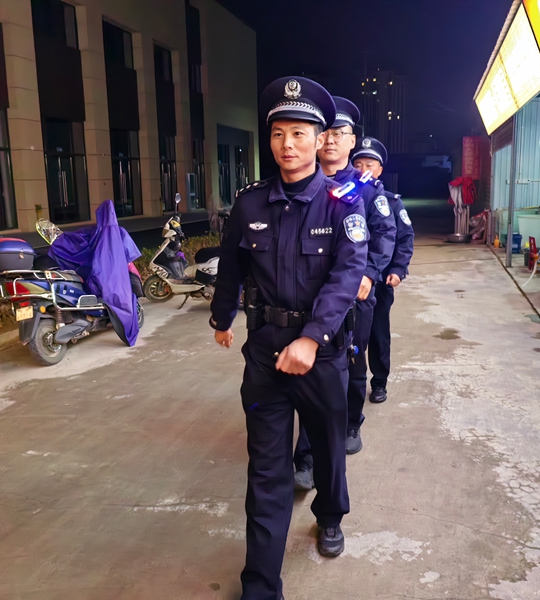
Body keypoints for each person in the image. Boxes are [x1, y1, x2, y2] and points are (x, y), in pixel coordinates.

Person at [210, 77, 368, 600]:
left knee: (327, 449)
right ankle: (260, 586)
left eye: (299, 133)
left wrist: (313, 338)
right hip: (264, 353)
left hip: (322, 354)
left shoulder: (343, 204)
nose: (288, 144)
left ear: (320, 139)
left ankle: (330, 515)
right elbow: (231, 267)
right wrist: (222, 317)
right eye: (279, 133)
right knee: (266, 471)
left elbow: (347, 275)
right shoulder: (250, 204)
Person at [293, 97, 396, 488]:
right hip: (312, 299)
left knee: (352, 364)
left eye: (341, 133)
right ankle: (306, 458)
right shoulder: (302, 184)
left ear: (353, 141)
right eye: (328, 133)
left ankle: (352, 423)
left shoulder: (367, 190)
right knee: (311, 374)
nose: (332, 140)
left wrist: (370, 274)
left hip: (355, 297)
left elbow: (384, 234)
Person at [352, 137, 415, 403]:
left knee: (378, 332)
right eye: (358, 165)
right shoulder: (344, 197)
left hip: (379, 279)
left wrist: (398, 269)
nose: (363, 170)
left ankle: (379, 382)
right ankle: (349, 382)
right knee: (350, 335)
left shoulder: (391, 202)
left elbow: (404, 238)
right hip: (349, 279)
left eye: (369, 165)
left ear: (379, 170)